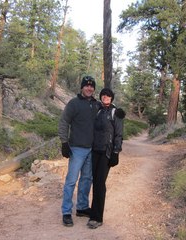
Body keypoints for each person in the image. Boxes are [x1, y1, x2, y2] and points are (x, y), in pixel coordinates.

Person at [58, 75, 100, 227]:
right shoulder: (73, 104)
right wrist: (64, 142)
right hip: (76, 149)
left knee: (86, 180)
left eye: (91, 86)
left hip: (91, 149)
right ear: (82, 87)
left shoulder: (96, 105)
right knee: (71, 181)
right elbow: (64, 122)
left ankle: (82, 207)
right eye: (86, 86)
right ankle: (66, 212)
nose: (89, 88)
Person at [87, 87, 125, 229]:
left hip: (106, 152)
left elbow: (119, 134)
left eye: (108, 96)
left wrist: (116, 152)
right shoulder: (97, 110)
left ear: (112, 98)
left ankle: (97, 217)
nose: (105, 98)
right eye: (103, 95)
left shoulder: (115, 113)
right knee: (95, 182)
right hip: (94, 151)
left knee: (99, 183)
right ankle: (93, 212)